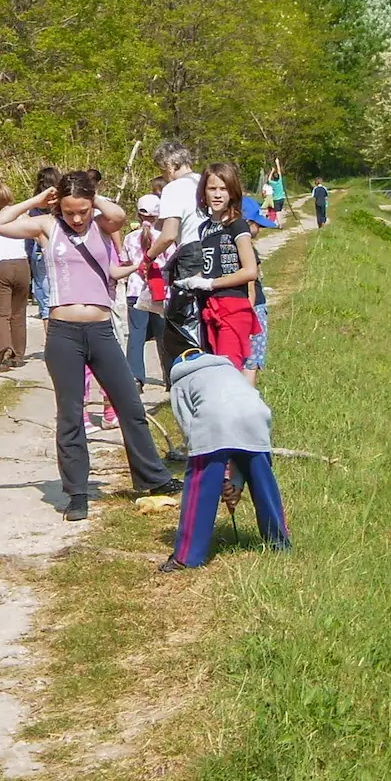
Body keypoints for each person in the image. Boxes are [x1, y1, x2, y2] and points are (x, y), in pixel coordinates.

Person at [0, 171, 179, 522]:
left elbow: (118, 215)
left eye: (83, 210)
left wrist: (92, 196)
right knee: (71, 414)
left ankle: (154, 478)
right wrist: (39, 201)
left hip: (101, 330)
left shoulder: (103, 224)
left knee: (129, 404)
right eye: (70, 211)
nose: (76, 218)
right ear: (58, 206)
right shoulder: (47, 226)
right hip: (63, 334)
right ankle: (77, 492)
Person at [158, 349, 290, 573]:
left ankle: (187, 556)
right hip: (256, 417)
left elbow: (190, 428)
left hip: (212, 419)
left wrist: (216, 477)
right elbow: (239, 440)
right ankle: (280, 543)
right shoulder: (231, 372)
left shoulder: (181, 381)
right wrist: (235, 483)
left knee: (200, 488)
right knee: (264, 483)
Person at [171, 163, 265, 373]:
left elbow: (249, 271)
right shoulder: (204, 228)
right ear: (203, 191)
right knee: (214, 368)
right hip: (209, 306)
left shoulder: (236, 225)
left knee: (228, 370)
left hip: (232, 306)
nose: (218, 194)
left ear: (232, 193)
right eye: (212, 188)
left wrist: (211, 283)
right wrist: (192, 281)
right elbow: (212, 266)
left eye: (223, 189)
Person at [145, 141, 204, 382]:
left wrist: (148, 256)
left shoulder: (173, 188)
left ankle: (186, 376)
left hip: (190, 252)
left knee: (183, 318)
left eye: (162, 169)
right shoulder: (205, 180)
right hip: (213, 247)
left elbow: (169, 234)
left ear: (170, 165)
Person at [0, 182, 31, 370]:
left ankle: (4, 349)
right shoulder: (23, 217)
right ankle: (18, 356)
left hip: (2, 266)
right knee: (19, 312)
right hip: (21, 264)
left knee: (2, 313)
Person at [121, 193, 167, 388]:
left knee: (136, 334)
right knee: (163, 335)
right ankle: (171, 377)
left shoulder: (130, 238)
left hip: (135, 290)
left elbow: (124, 261)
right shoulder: (164, 238)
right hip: (159, 291)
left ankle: (135, 377)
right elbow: (171, 262)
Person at [240, 194, 277, 384]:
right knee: (251, 361)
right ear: (246, 222)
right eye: (258, 225)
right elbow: (250, 285)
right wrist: (250, 313)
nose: (260, 229)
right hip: (253, 308)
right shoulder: (247, 250)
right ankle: (248, 402)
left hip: (237, 310)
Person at [23, 166, 60, 321]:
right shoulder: (60, 202)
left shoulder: (36, 204)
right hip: (59, 246)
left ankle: (46, 315)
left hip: (38, 250)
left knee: (42, 289)